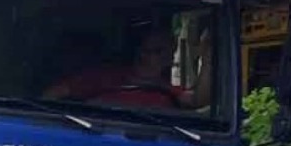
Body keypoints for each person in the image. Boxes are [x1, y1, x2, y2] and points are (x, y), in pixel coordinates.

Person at [44, 26, 208, 109]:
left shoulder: (169, 92)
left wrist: (208, 54)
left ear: (169, 58)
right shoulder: (104, 76)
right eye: (143, 49)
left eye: (156, 51)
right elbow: (53, 94)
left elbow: (198, 99)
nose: (145, 55)